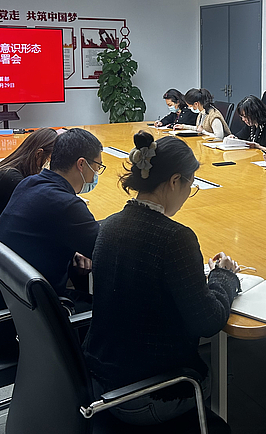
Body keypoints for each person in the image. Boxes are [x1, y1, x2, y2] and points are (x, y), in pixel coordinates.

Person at [83, 130, 240, 427]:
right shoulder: (175, 238)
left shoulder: (109, 225)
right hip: (151, 395)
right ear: (174, 181)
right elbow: (208, 321)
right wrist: (224, 277)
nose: (188, 194)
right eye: (190, 185)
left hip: (99, 382)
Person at [0, 127, 103, 320]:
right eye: (97, 167)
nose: (95, 175)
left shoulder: (30, 183)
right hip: (26, 316)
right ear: (81, 164)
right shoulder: (67, 205)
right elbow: (108, 252)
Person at [0, 127, 58, 241]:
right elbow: (39, 214)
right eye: (52, 159)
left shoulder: (14, 168)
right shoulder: (11, 178)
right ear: (39, 154)